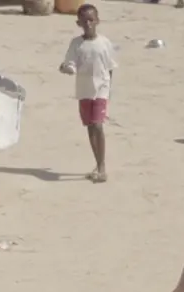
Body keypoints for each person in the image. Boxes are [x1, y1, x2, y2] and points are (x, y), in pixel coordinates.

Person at [58, 4, 116, 183]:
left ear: (98, 21)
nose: (88, 24)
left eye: (91, 20)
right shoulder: (76, 43)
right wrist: (66, 68)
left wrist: (108, 89)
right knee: (90, 127)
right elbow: (69, 63)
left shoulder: (104, 43)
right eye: (84, 21)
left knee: (98, 125)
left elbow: (111, 67)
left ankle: (102, 166)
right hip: (84, 90)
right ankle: (97, 163)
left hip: (101, 89)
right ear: (78, 23)